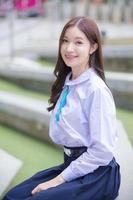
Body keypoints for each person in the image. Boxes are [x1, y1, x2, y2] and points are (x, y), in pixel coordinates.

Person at [3, 16, 121, 200]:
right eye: (65, 41)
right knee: (13, 196)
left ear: (93, 47)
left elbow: (102, 152)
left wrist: (57, 180)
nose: (69, 48)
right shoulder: (68, 81)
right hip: (72, 165)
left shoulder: (95, 90)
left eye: (78, 42)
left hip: (97, 175)